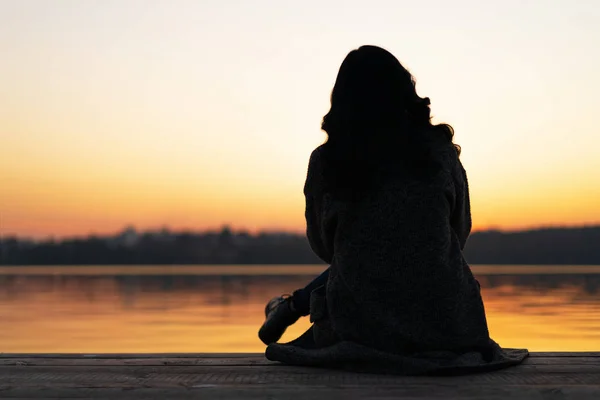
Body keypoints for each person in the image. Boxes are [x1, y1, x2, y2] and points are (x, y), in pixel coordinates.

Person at [258, 45, 528, 375]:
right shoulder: (440, 154)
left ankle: (289, 306)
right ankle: (290, 305)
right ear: (405, 93)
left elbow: (325, 247)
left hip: (361, 328)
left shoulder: (328, 161)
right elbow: (458, 235)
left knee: (358, 261)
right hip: (451, 327)